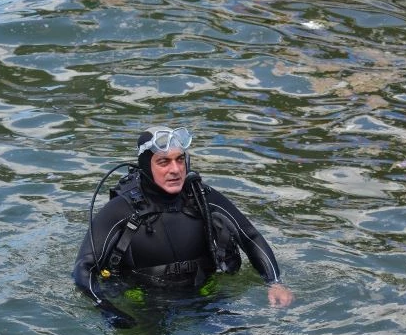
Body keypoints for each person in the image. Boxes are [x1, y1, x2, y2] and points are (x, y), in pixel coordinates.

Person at [73, 125, 294, 324]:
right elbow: (83, 267)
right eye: (163, 162)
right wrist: (107, 308)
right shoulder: (120, 210)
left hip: (205, 298)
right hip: (145, 304)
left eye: (180, 159)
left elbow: (250, 236)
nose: (176, 169)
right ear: (146, 166)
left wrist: (275, 283)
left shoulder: (202, 197)